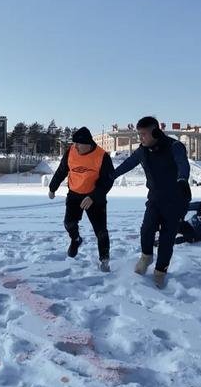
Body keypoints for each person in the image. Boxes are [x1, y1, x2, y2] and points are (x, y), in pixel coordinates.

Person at [112, 116, 192, 289]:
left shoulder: (174, 146)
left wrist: (182, 179)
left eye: (143, 134)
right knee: (146, 229)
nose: (140, 138)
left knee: (167, 238)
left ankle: (160, 272)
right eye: (138, 134)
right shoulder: (142, 150)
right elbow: (128, 164)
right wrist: (110, 176)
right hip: (155, 197)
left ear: (155, 132)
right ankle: (146, 256)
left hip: (176, 198)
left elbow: (182, 164)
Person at [48, 127, 115, 272]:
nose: (75, 146)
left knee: (101, 231)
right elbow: (62, 170)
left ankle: (104, 260)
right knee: (69, 223)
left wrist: (94, 196)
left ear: (88, 143)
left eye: (78, 143)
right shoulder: (71, 151)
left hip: (94, 197)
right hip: (74, 194)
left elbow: (108, 181)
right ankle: (76, 239)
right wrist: (53, 187)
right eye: (75, 143)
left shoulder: (102, 156)